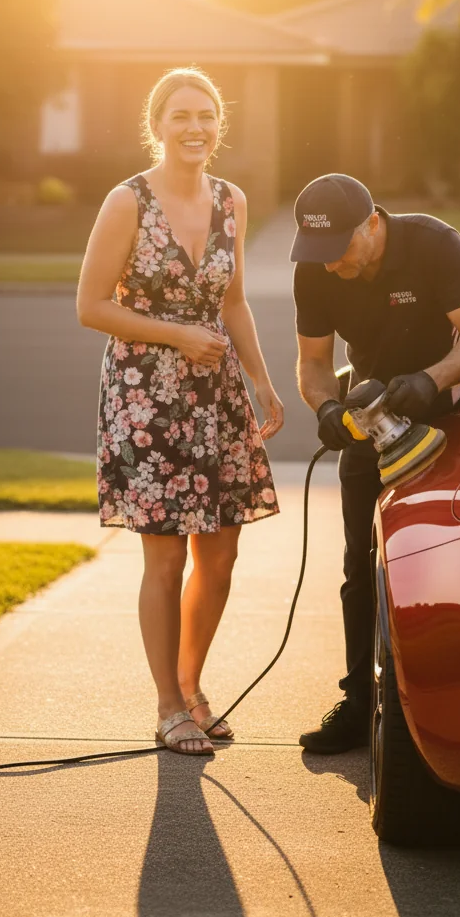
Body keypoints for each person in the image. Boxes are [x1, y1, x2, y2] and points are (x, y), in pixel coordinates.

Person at [77, 66, 284, 756]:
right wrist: (176, 335)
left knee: (219, 555)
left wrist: (261, 380)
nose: (195, 128)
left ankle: (193, 687)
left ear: (218, 125)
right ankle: (167, 705)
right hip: (146, 395)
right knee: (164, 560)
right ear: (158, 125)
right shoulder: (127, 201)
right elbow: (91, 306)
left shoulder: (232, 201)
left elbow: (232, 301)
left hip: (216, 391)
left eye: (207, 116)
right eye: (181, 116)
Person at [292, 173, 460, 753]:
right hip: (369, 416)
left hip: (444, 418)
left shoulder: (434, 244)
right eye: (318, 254)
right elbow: (311, 362)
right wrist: (327, 406)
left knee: (444, 561)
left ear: (371, 225)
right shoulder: (315, 267)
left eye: (339, 250)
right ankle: (359, 705)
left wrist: (429, 381)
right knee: (361, 564)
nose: (329, 265)